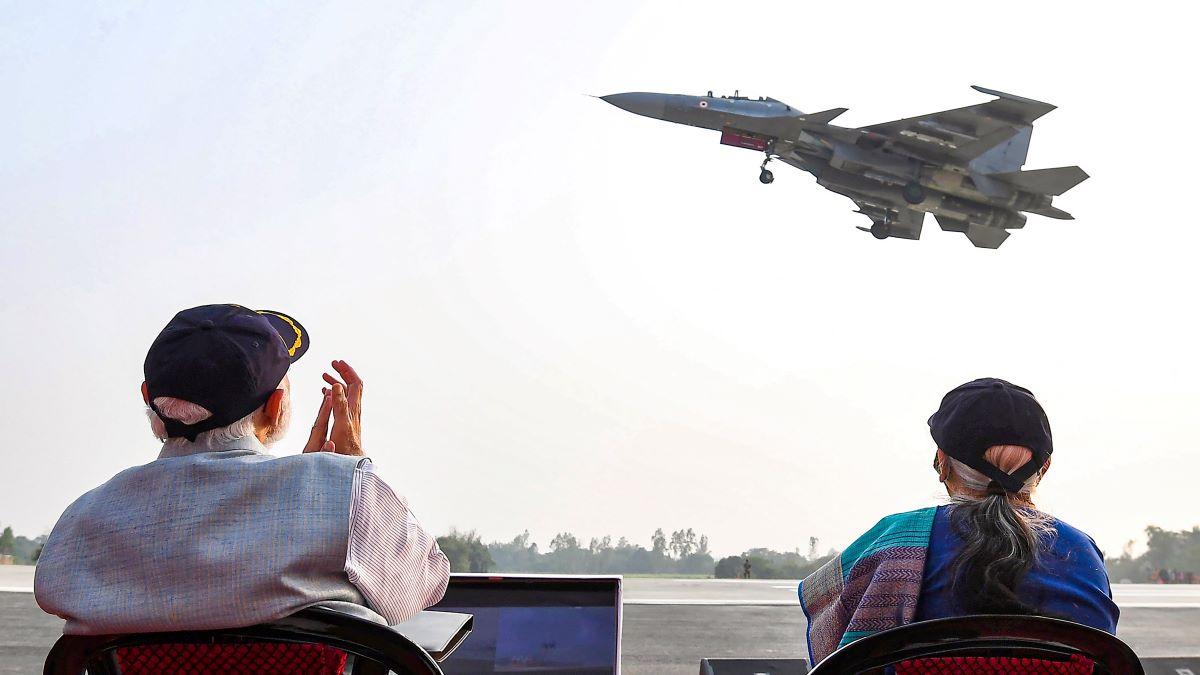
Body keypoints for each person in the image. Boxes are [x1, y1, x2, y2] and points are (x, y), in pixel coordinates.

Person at [35, 304, 450, 635]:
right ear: (274, 406)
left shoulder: (82, 521)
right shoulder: (345, 493)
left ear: (148, 397)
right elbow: (420, 585)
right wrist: (350, 478)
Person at [798, 378, 1118, 666]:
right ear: (1044, 468)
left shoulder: (892, 539)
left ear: (941, 463)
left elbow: (831, 641)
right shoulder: (1082, 550)